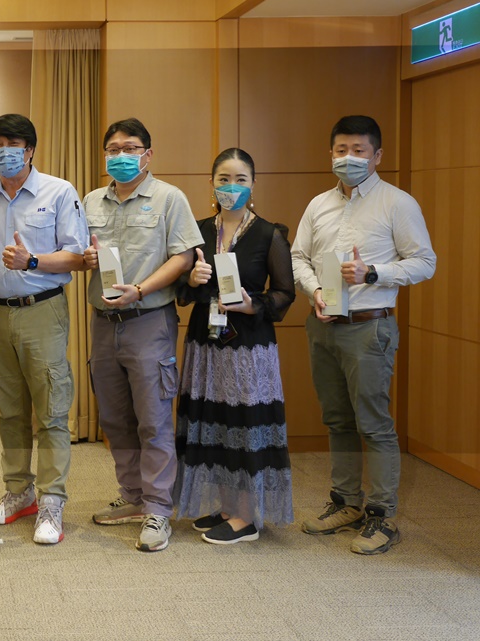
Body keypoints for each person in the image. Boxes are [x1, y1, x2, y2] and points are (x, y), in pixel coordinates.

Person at [292, 115, 436, 555]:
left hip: (370, 327)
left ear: (377, 156)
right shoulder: (318, 204)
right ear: (330, 154)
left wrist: (373, 271)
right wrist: (315, 290)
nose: (349, 158)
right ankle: (346, 502)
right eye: (341, 150)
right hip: (324, 324)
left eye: (359, 151)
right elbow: (298, 257)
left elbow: (425, 262)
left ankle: (382, 515)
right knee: (337, 420)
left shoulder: (397, 203)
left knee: (374, 424)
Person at [81, 117, 202, 553]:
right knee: (115, 419)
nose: (121, 156)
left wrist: (141, 289)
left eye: (130, 148)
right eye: (113, 149)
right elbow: (80, 252)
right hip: (102, 323)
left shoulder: (169, 198)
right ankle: (133, 496)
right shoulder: (91, 200)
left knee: (153, 419)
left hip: (148, 320)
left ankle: (158, 508)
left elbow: (184, 257)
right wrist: (84, 257)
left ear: (147, 154)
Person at [0, 113, 88, 545]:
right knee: (10, 409)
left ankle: (52, 500)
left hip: (42, 309)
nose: (4, 152)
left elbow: (78, 256)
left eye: (12, 144)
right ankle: (19, 491)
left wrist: (32, 260)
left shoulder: (59, 191)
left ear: (30, 149)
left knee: (51, 409)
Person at [174, 148, 296, 545]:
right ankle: (227, 508)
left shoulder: (268, 234)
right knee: (213, 422)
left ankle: (247, 518)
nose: (231, 187)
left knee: (244, 425)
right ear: (211, 183)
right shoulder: (196, 231)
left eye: (240, 179)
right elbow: (180, 291)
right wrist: (191, 280)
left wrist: (250, 304)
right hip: (205, 342)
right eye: (224, 179)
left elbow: (285, 292)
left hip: (248, 347)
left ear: (253, 184)